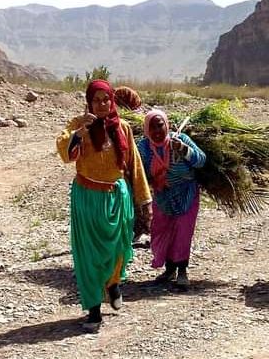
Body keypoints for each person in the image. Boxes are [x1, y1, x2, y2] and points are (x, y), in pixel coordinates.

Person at [56, 79, 152, 332]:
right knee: (88, 255)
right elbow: (65, 154)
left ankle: (113, 284)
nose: (102, 104)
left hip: (117, 196)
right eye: (96, 100)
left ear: (112, 101)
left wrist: (144, 199)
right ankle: (94, 311)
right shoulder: (78, 125)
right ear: (89, 102)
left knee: (118, 247)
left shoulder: (123, 127)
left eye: (106, 99)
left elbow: (134, 164)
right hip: (87, 197)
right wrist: (79, 135)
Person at [137, 110, 206, 288]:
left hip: (186, 193)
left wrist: (183, 150)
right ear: (146, 129)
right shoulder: (143, 148)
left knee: (182, 232)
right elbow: (139, 173)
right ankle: (169, 269)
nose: (157, 131)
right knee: (162, 231)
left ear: (166, 125)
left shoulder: (180, 139)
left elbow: (201, 161)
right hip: (162, 197)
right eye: (151, 127)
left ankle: (182, 270)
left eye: (160, 125)